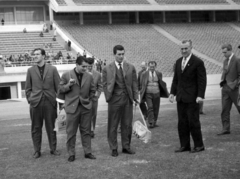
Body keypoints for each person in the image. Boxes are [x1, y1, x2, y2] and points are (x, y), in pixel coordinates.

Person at [169, 40, 207, 153]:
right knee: (182, 123)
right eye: (182, 48)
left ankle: (199, 145)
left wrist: (200, 95)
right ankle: (184, 145)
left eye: (186, 48)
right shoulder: (178, 61)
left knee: (193, 122)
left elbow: (202, 80)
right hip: (180, 98)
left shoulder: (198, 62)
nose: (184, 51)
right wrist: (172, 93)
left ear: (191, 48)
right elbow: (176, 80)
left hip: (192, 98)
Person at [102, 45, 139, 157]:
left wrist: (135, 97)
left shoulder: (131, 67)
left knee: (127, 124)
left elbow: (134, 83)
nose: (121, 56)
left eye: (123, 54)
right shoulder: (107, 68)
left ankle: (126, 147)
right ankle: (113, 148)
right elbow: (104, 84)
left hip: (127, 99)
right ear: (114, 54)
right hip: (114, 100)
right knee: (113, 125)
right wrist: (108, 96)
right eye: (119, 54)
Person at [58, 56, 96, 162]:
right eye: (83, 66)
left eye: (87, 66)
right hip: (71, 108)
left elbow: (93, 90)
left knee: (86, 131)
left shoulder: (89, 76)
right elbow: (60, 89)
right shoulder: (66, 75)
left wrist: (89, 101)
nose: (85, 68)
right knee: (71, 132)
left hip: (86, 107)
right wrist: (68, 85)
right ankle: (71, 154)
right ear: (77, 65)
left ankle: (88, 152)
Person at [25, 48, 61, 159]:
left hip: (50, 102)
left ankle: (53, 149)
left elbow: (58, 87)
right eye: (34, 54)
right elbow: (28, 88)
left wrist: (59, 102)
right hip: (35, 103)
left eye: (37, 54)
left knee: (51, 127)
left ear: (43, 56)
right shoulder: (30, 70)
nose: (35, 56)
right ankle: (37, 150)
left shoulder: (53, 69)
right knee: (36, 128)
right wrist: (31, 100)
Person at [218, 44, 240, 135]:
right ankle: (225, 129)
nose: (224, 54)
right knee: (224, 109)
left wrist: (235, 85)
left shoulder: (237, 60)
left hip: (234, 89)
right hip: (225, 88)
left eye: (225, 52)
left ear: (230, 50)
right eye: (223, 52)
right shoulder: (225, 61)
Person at [139, 61, 169, 128]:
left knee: (156, 108)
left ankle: (154, 122)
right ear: (148, 66)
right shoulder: (144, 74)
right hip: (148, 94)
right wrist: (140, 91)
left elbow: (161, 82)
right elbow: (142, 84)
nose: (152, 68)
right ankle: (150, 122)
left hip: (157, 93)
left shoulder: (159, 73)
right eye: (150, 67)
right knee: (150, 107)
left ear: (155, 67)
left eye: (153, 67)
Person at [86, 57, 102, 138]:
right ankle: (87, 130)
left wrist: (98, 94)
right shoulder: (83, 73)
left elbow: (100, 86)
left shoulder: (98, 74)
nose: (89, 68)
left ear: (93, 65)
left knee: (94, 114)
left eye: (90, 66)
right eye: (88, 66)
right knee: (85, 115)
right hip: (85, 98)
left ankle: (92, 130)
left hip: (94, 98)